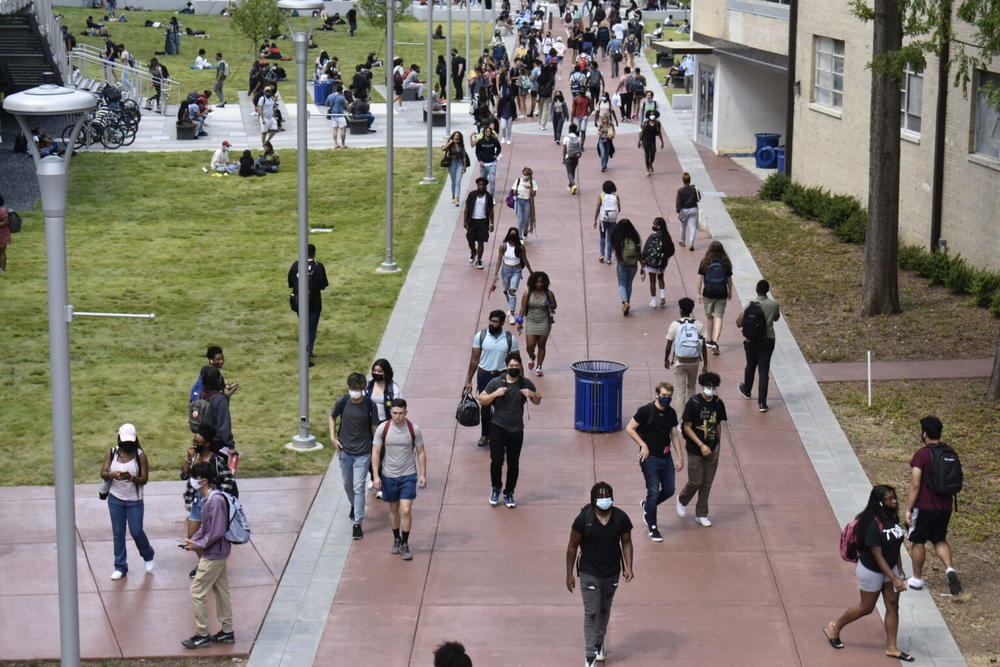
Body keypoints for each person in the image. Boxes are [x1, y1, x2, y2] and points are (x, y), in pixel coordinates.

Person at [823, 485, 914, 662]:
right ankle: (834, 627)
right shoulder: (873, 524)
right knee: (866, 607)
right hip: (871, 570)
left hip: (890, 568)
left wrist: (899, 569)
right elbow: (877, 555)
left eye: (894, 497)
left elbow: (895, 545)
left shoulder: (893, 517)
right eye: (890, 498)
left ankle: (892, 647)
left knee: (892, 606)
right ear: (880, 502)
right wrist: (893, 577)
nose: (894, 501)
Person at [565, 481, 634, 667]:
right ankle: (590, 657)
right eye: (600, 496)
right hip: (589, 571)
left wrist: (629, 567)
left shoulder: (621, 518)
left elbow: (626, 542)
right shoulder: (583, 519)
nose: (604, 499)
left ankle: (598, 643)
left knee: (604, 610)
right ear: (593, 499)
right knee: (592, 612)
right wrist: (569, 574)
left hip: (612, 572)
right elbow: (572, 547)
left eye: (607, 495)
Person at [903, 416, 963, 595]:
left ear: (924, 433)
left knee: (918, 540)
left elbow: (915, 484)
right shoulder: (950, 451)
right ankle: (950, 569)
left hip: (924, 506)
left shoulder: (922, 454)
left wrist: (907, 508)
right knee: (939, 539)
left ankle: (917, 579)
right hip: (945, 506)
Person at [180, 461, 236, 649]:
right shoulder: (207, 499)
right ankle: (227, 631)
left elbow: (217, 531)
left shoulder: (215, 500)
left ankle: (202, 633)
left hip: (215, 553)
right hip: (216, 551)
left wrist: (198, 544)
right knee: (221, 590)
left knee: (197, 591)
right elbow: (206, 527)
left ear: (203, 480)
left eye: (194, 478)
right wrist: (193, 540)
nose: (192, 481)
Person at [479, 352, 541, 508]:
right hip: (498, 427)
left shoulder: (525, 383)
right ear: (506, 367)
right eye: (511, 366)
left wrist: (533, 395)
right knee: (497, 461)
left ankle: (509, 492)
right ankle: (496, 488)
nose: (514, 368)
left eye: (516, 366)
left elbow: (538, 400)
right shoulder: (496, 382)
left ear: (520, 367)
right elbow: (482, 399)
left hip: (516, 430)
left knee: (513, 463)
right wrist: (495, 394)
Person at [625, 383, 684, 542]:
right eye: (664, 395)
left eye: (669, 396)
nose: (666, 398)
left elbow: (674, 434)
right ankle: (652, 526)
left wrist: (680, 457)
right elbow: (630, 428)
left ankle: (647, 506)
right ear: (657, 394)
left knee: (669, 490)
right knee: (653, 490)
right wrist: (643, 445)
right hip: (650, 458)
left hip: (666, 457)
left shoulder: (671, 413)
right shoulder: (646, 411)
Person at [372, 399, 427, 561]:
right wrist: (376, 475)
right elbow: (375, 452)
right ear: (391, 413)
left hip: (408, 475)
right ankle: (396, 538)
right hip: (389, 476)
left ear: (406, 413)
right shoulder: (383, 429)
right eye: (395, 413)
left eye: (401, 413)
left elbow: (421, 452)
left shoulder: (413, 429)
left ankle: (405, 543)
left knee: (406, 510)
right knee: (393, 509)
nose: (398, 416)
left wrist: (423, 474)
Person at [180, 423, 238, 579]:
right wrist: (188, 458)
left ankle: (208, 566)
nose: (195, 445)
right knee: (192, 537)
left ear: (207, 443)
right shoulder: (193, 457)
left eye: (198, 443)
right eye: (194, 442)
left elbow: (228, 479)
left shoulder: (216, 460)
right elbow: (184, 475)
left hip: (211, 504)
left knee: (210, 536)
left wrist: (218, 495)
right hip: (196, 503)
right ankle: (204, 563)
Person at [100, 424, 155, 580]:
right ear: (119, 439)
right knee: (118, 533)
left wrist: (131, 478)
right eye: (125, 442)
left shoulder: (140, 455)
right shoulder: (112, 452)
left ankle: (148, 553)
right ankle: (120, 566)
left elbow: (144, 479)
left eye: (130, 442)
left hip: (134, 500)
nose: (127, 445)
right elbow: (102, 473)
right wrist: (112, 474)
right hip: (115, 499)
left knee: (136, 531)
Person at [330, 373, 379, 540]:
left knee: (359, 486)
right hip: (345, 451)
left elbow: (374, 428)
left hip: (363, 452)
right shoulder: (342, 401)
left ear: (364, 389)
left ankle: (357, 523)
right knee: (347, 484)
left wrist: (376, 448)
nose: (355, 392)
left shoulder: (369, 405)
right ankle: (354, 505)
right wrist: (332, 437)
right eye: (353, 389)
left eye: (358, 389)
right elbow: (332, 417)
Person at [677, 372, 727, 526]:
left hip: (713, 448)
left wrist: (718, 444)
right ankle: (682, 499)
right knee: (696, 480)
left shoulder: (718, 403)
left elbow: (718, 424)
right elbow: (687, 427)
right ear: (702, 385)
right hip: (695, 448)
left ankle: (701, 514)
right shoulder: (693, 403)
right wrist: (701, 445)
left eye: (713, 386)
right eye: (708, 386)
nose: (710, 389)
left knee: (707, 482)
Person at [464, 311, 519, 448]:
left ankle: (503, 437)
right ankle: (485, 435)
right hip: (484, 375)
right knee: (485, 406)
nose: (492, 324)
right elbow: (474, 359)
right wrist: (469, 380)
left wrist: (520, 381)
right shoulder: (481, 336)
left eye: (495, 322)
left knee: (503, 407)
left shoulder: (510, 339)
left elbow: (516, 361)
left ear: (501, 323)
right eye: (491, 321)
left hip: (502, 376)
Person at [736, 279, 781, 412]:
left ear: (756, 290)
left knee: (750, 365)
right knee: (764, 370)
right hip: (768, 340)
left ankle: (747, 390)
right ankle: (762, 403)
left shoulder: (751, 304)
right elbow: (776, 318)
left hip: (752, 341)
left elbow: (739, 322)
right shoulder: (774, 304)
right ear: (768, 290)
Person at [665, 297, 710, 413]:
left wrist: (666, 359)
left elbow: (669, 345)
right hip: (694, 361)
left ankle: (680, 421)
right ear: (692, 310)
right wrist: (705, 364)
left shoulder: (675, 325)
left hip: (679, 361)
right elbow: (703, 346)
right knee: (691, 388)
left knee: (680, 391)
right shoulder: (698, 325)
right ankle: (691, 416)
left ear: (680, 310)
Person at [287, 243, 330, 363]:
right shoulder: (318, 266)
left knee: (304, 326)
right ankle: (307, 353)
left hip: (298, 302)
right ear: (314, 253)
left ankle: (306, 351)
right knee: (311, 328)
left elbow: (290, 282)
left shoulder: (296, 265)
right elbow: (323, 285)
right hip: (314, 302)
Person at [697, 240, 734, 355]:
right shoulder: (726, 262)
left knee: (709, 317)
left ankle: (708, 339)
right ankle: (715, 341)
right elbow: (729, 280)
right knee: (719, 317)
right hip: (721, 293)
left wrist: (698, 293)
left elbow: (699, 279)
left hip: (708, 293)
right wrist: (730, 292)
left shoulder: (705, 261)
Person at [516, 271, 556, 377]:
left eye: (541, 282)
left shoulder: (548, 293)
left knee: (541, 345)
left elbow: (554, 305)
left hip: (544, 322)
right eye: (537, 282)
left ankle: (539, 366)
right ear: (533, 282)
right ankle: (532, 356)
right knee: (530, 346)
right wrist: (519, 322)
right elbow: (523, 307)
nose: (539, 284)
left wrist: (548, 304)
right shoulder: (527, 293)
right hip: (531, 322)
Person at [491, 227, 533, 324]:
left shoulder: (521, 247)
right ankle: (508, 299)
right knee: (507, 290)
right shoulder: (503, 246)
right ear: (508, 235)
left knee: (512, 291)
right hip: (505, 270)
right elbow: (499, 260)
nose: (513, 236)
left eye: (515, 234)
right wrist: (496, 273)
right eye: (511, 234)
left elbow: (525, 260)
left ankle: (511, 313)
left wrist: (531, 271)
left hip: (517, 270)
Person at [197, 367, 236, 454]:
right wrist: (230, 445)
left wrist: (225, 395)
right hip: (217, 444)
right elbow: (224, 425)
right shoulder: (220, 400)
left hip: (202, 439)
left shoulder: (201, 394)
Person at [611, 218, 642, 317]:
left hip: (622, 264)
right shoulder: (635, 237)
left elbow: (615, 251)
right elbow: (639, 252)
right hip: (633, 265)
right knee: (629, 284)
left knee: (621, 283)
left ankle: (625, 302)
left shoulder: (618, 237)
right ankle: (627, 302)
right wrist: (642, 265)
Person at [641, 216, 674, 308]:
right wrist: (666, 258)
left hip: (651, 263)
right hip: (662, 263)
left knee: (652, 281)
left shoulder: (652, 236)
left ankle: (654, 301)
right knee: (661, 278)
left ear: (658, 226)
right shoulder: (667, 237)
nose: (653, 225)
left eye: (654, 224)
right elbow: (672, 250)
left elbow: (646, 249)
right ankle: (662, 295)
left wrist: (643, 261)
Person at [462, 177, 495, 269]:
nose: (481, 186)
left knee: (481, 242)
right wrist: (464, 220)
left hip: (483, 222)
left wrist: (492, 223)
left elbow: (491, 210)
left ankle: (479, 260)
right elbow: (467, 207)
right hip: (472, 221)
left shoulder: (489, 196)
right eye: (479, 185)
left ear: (485, 186)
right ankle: (473, 251)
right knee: (470, 240)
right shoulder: (472, 194)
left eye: (483, 185)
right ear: (477, 185)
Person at [365, 358, 403, 423]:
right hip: (369, 422)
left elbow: (400, 407)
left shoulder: (393, 388)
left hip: (386, 423)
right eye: (374, 371)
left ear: (386, 372)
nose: (376, 373)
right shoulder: (368, 386)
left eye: (380, 371)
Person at [593, 180, 620, 264]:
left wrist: (595, 219)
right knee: (610, 239)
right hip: (612, 220)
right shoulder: (616, 196)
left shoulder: (601, 196)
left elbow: (598, 208)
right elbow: (619, 209)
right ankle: (609, 258)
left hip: (603, 219)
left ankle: (602, 255)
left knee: (602, 237)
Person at [442, 131, 471, 206]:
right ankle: (453, 195)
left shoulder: (461, 144)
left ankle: (457, 198)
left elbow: (464, 155)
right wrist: (450, 142)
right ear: (453, 136)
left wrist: (464, 166)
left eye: (458, 135)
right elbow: (443, 149)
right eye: (455, 135)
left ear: (460, 137)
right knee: (453, 181)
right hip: (452, 163)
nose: (456, 137)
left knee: (458, 181)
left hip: (460, 163)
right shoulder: (450, 143)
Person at [675, 171, 701, 250]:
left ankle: (682, 241)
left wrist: (678, 212)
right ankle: (691, 244)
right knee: (692, 227)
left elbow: (678, 202)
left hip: (684, 211)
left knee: (683, 226)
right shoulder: (694, 189)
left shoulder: (680, 191)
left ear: (683, 181)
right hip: (694, 209)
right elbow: (698, 199)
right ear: (690, 180)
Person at [474, 125, 502, 197]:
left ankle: (491, 197)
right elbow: (477, 152)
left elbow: (499, 148)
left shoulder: (494, 140)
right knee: (483, 181)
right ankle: (484, 195)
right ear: (484, 133)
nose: (488, 133)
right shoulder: (480, 142)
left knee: (492, 180)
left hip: (492, 163)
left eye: (489, 131)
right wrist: (480, 161)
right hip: (483, 164)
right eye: (487, 131)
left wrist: (496, 154)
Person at [511, 166, 538, 239]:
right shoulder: (518, 180)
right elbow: (513, 191)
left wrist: (529, 188)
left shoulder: (532, 182)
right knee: (520, 219)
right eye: (524, 174)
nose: (525, 176)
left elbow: (534, 194)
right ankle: (519, 236)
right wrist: (515, 192)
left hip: (527, 201)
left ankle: (525, 230)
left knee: (526, 219)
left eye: (527, 175)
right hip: (518, 201)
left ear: (529, 175)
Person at [638, 109, 665, 176]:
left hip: (653, 141)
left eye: (653, 114)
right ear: (649, 116)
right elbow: (642, 132)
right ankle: (647, 170)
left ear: (655, 116)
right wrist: (639, 141)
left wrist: (662, 142)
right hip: (645, 140)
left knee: (653, 154)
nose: (652, 116)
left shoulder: (657, 124)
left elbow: (659, 133)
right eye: (651, 114)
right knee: (647, 155)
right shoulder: (646, 123)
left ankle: (650, 164)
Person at [562, 122, 583, 194]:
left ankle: (573, 185)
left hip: (569, 157)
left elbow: (564, 149)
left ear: (569, 130)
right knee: (573, 172)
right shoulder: (578, 138)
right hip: (576, 157)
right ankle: (571, 187)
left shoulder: (566, 138)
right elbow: (580, 147)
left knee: (569, 173)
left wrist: (563, 158)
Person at [325, 84, 349, 148]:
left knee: (334, 129)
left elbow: (327, 104)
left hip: (333, 115)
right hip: (340, 115)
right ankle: (343, 144)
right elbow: (346, 106)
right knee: (343, 129)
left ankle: (336, 144)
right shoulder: (342, 97)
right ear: (341, 91)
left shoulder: (330, 96)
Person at [0, 195, 11, 274]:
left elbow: (6, 222)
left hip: (2, 234)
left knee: (2, 252)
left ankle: (3, 270)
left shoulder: (2, 211)